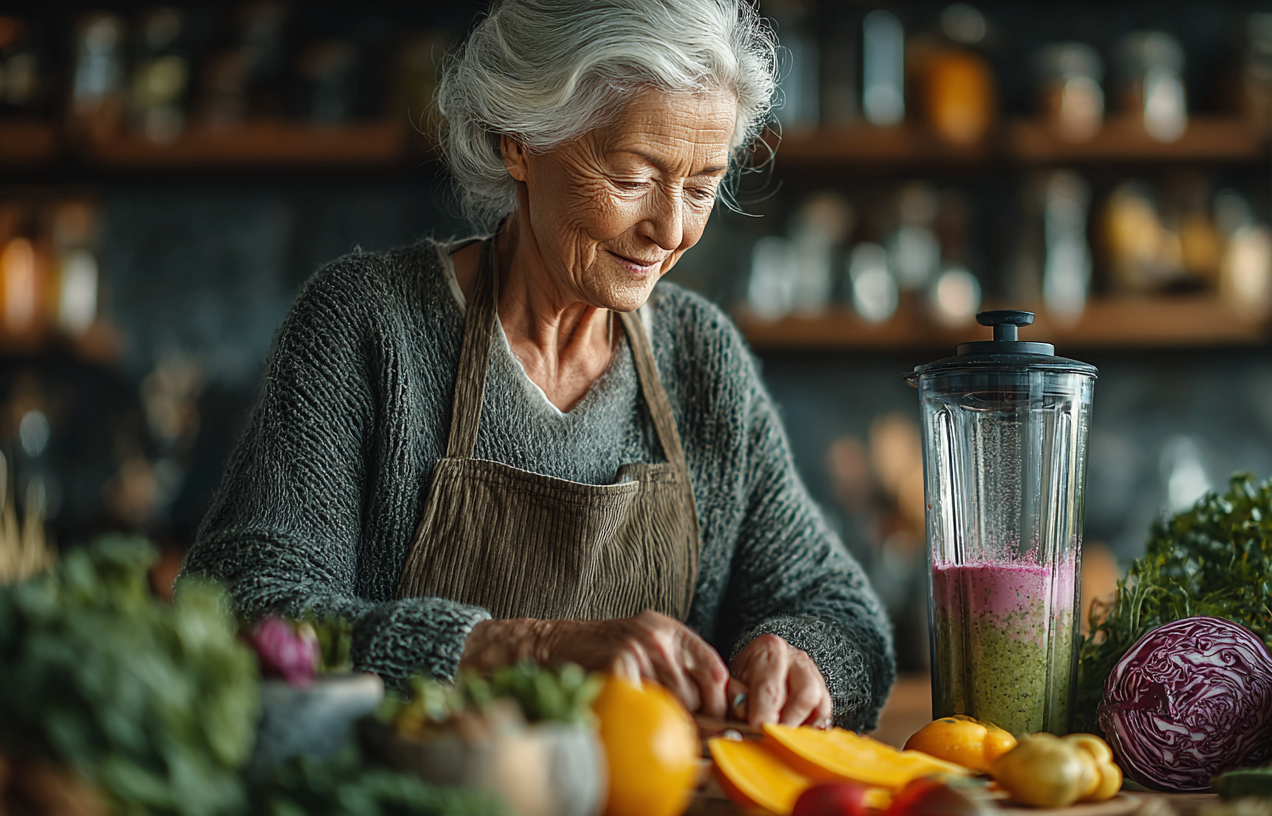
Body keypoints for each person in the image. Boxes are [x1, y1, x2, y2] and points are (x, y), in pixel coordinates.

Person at [181, 0, 894, 731]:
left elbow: (841, 614)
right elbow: (245, 601)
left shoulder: (699, 359)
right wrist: (528, 648)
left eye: (703, 186)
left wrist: (799, 655)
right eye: (631, 177)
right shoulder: (370, 327)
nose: (671, 228)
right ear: (518, 142)